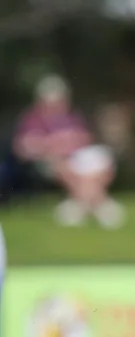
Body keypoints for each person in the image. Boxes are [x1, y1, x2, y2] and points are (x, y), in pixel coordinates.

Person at [13, 75, 125, 228]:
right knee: (67, 166)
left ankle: (78, 206)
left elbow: (85, 138)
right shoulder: (33, 119)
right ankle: (101, 206)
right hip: (50, 161)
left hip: (76, 157)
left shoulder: (71, 118)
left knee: (102, 165)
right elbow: (23, 147)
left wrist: (71, 141)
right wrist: (53, 144)